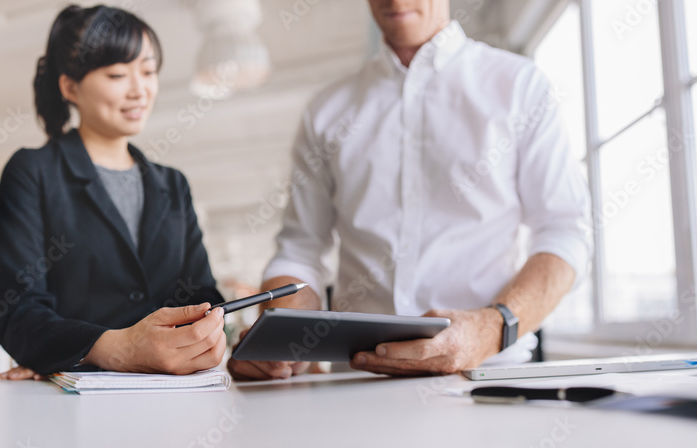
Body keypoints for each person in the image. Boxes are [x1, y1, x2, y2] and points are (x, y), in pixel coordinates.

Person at [228, 0, 591, 380]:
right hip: (356, 383)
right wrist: (284, 333)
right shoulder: (326, 110)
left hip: (485, 374)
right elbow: (299, 251)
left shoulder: (520, 85)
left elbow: (565, 232)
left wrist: (488, 330)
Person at [0, 4, 226, 380]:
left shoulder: (173, 184)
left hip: (176, 393)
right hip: (77, 397)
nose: (140, 90)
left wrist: (212, 328)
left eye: (148, 71)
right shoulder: (33, 172)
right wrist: (112, 349)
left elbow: (202, 294)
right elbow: (18, 312)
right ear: (70, 86)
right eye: (118, 74)